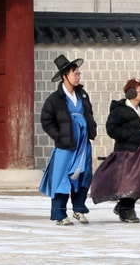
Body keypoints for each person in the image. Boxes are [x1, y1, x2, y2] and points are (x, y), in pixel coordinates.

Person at [89, 77, 140, 223]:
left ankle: (124, 206)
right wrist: (128, 135)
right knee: (129, 181)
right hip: (128, 149)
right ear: (131, 92)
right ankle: (126, 209)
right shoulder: (119, 110)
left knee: (139, 180)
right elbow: (111, 128)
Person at [38, 54, 97, 225]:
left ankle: (79, 209)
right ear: (65, 77)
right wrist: (59, 136)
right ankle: (59, 214)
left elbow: (89, 114)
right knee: (62, 178)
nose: (78, 77)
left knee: (84, 175)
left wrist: (91, 128)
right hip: (66, 144)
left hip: (83, 143)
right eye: (75, 74)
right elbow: (46, 121)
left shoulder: (83, 95)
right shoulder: (55, 99)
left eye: (79, 74)